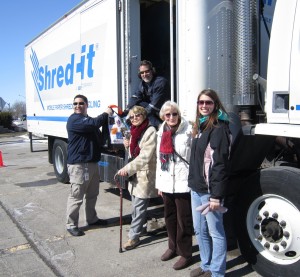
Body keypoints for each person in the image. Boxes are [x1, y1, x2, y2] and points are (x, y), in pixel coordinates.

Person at [188, 89, 231, 277]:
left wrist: (216, 195)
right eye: (201, 103)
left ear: (215, 104)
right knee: (199, 230)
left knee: (216, 232)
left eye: (208, 102)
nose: (204, 106)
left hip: (209, 191)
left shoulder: (219, 128)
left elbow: (220, 165)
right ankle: (206, 265)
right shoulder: (200, 127)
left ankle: (217, 272)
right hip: (195, 189)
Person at [66, 94, 113, 237]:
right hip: (79, 165)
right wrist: (106, 113)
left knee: (93, 194)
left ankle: (92, 219)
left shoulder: (88, 121)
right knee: (76, 196)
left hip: (92, 163)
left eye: (81, 103)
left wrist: (111, 147)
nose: (77, 106)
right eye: (75, 103)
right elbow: (94, 123)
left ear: (87, 105)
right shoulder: (74, 120)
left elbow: (98, 140)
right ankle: (71, 224)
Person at [155, 101, 194, 270]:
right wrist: (159, 185)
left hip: (183, 181)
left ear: (179, 114)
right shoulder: (161, 131)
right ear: (163, 116)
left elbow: (195, 157)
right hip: (166, 182)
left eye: (174, 114)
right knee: (169, 217)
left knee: (183, 219)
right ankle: (172, 247)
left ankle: (185, 253)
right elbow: (159, 160)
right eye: (167, 114)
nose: (171, 117)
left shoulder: (189, 130)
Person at [117, 105, 158, 250]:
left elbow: (145, 156)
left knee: (138, 207)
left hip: (144, 175)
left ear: (144, 116)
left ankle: (134, 237)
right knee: (136, 206)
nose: (134, 118)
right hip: (135, 176)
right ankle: (142, 227)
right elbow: (133, 152)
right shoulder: (134, 131)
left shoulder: (150, 131)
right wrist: (126, 145)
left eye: (137, 115)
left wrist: (127, 168)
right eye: (132, 117)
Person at [124, 60, 170, 128]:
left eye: (147, 71)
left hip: (163, 111)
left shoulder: (160, 82)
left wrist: (140, 116)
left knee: (143, 110)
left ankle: (160, 126)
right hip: (153, 112)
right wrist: (126, 111)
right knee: (137, 104)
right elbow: (135, 98)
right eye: (142, 72)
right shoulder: (142, 84)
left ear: (152, 71)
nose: (145, 74)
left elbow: (154, 106)